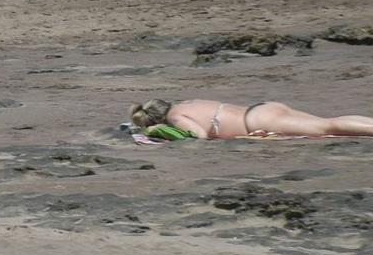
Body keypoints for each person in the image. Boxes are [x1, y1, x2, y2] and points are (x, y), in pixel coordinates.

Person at [130, 98, 373, 139]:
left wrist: (162, 134)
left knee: (328, 127)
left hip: (258, 122)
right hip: (261, 109)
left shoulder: (176, 116)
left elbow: (199, 136)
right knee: (327, 122)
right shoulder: (187, 103)